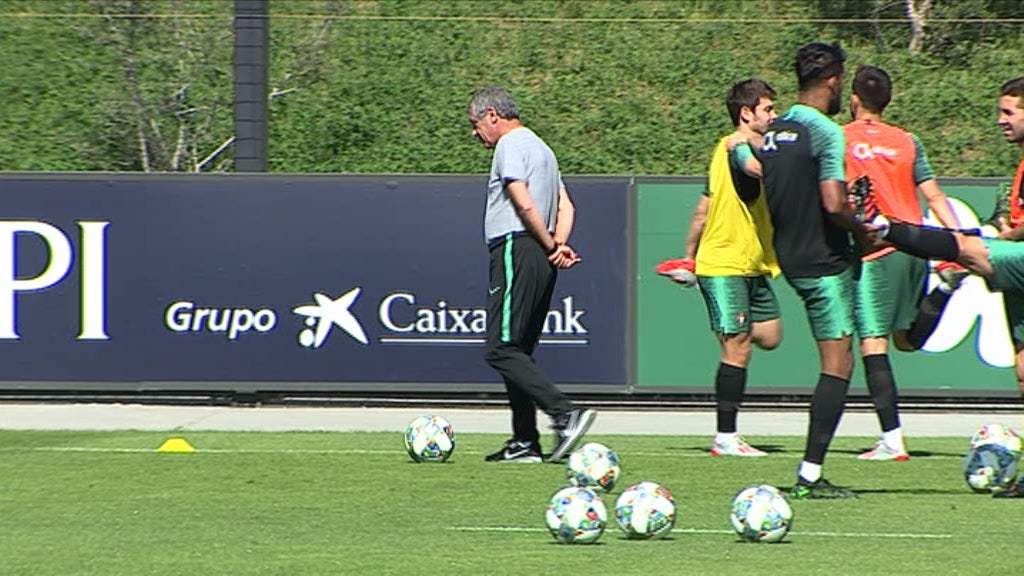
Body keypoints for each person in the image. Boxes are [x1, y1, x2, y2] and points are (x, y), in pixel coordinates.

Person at [757, 42, 866, 499]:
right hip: (823, 260)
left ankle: (810, 471)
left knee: (838, 361)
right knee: (839, 364)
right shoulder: (826, 131)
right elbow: (832, 202)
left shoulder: (775, 129)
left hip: (791, 256)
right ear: (835, 80)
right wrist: (861, 230)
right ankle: (809, 475)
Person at [842, 65, 966, 462]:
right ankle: (944, 288)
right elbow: (934, 196)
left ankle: (892, 441)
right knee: (905, 341)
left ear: (854, 99)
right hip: (915, 246)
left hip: (876, 250)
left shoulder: (841, 138)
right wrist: (958, 240)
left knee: (872, 343)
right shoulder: (907, 141)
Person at [467, 86, 596, 464]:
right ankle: (525, 441)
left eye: (476, 125)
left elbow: (521, 200)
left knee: (499, 348)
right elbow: (567, 206)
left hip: (516, 246)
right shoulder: (544, 149)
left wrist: (547, 242)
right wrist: (557, 244)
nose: (476, 135)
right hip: (540, 253)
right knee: (518, 350)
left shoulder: (510, 144)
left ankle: (564, 413)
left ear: (493, 115)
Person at [672, 79, 783, 457]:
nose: (774, 115)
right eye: (768, 109)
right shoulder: (734, 147)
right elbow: (756, 170)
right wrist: (696, 261)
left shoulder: (734, 148)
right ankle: (726, 437)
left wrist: (687, 256)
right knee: (737, 350)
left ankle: (730, 331)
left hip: (752, 264)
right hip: (724, 265)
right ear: (746, 114)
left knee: (769, 336)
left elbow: (703, 206)